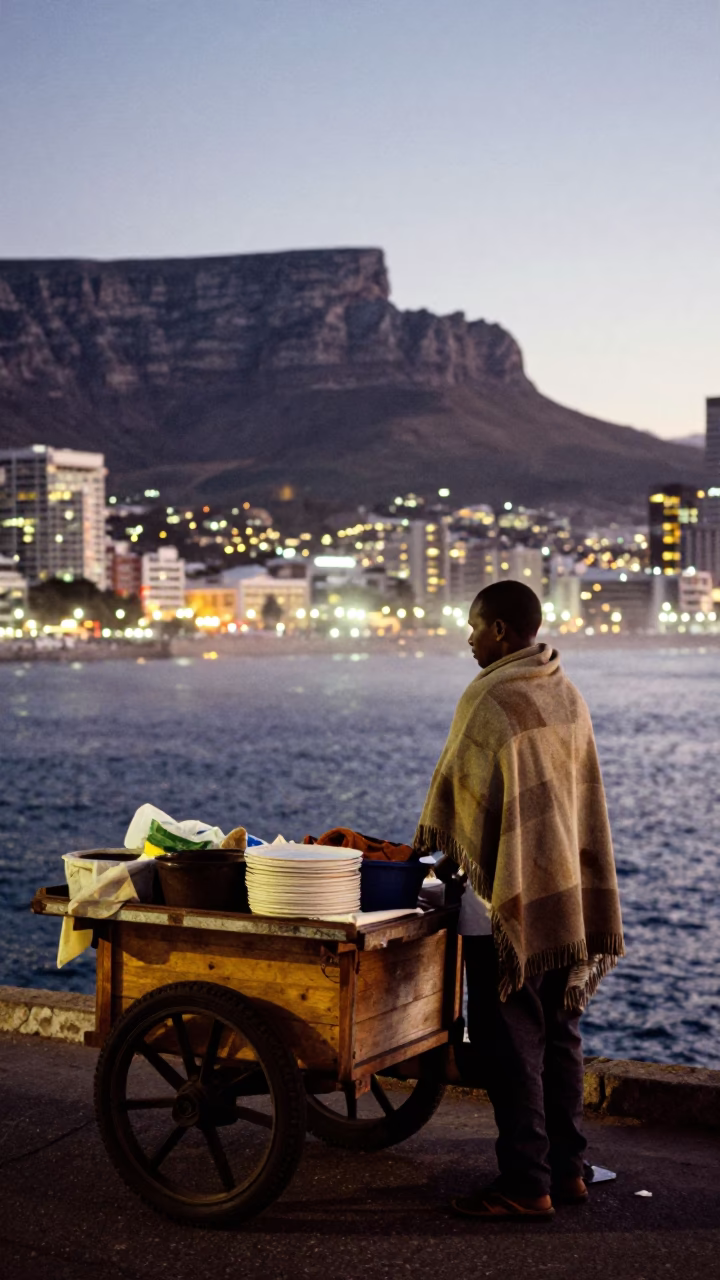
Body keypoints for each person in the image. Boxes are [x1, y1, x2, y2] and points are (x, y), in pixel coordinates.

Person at [414, 580, 623, 1222]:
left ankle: (526, 1183)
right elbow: (574, 803)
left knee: (512, 1046)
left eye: (475, 627)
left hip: (501, 908)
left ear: (502, 630)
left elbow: (463, 806)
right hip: (564, 903)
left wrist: (426, 861)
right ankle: (568, 1170)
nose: (469, 639)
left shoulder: (491, 697)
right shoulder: (564, 688)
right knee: (561, 1036)